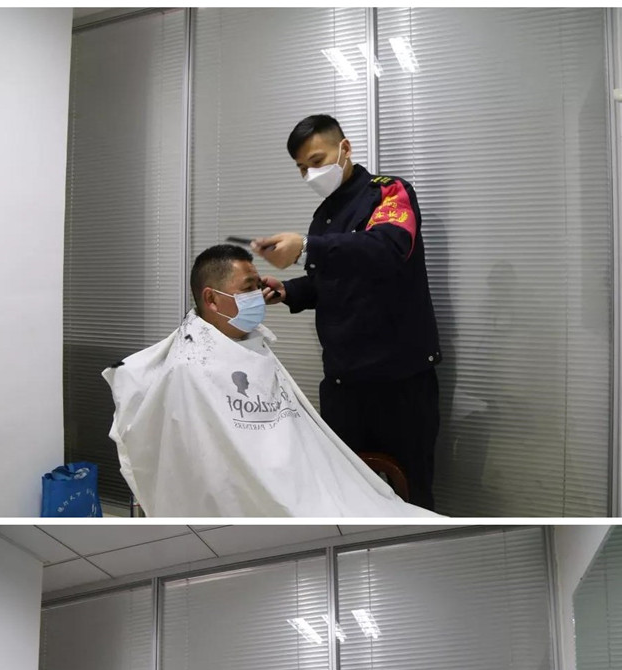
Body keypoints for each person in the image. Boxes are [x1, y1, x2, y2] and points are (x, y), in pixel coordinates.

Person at [102, 243, 443, 518]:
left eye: (258, 286)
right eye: (248, 289)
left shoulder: (252, 346)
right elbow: (208, 468)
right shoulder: (187, 369)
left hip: (309, 485)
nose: (259, 296)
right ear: (212, 299)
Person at [253, 114, 441, 511]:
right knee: (346, 492)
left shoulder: (388, 192)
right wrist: (287, 290)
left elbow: (388, 248)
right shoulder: (323, 217)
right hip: (343, 384)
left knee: (412, 493)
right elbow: (330, 283)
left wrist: (307, 247)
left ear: (345, 148)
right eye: (302, 168)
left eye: (317, 161)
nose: (310, 174)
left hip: (400, 382)